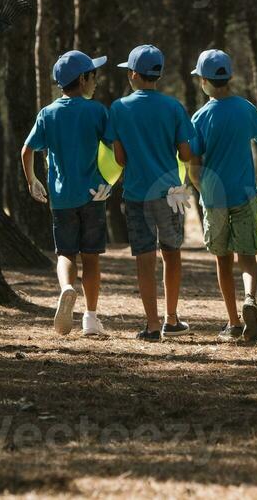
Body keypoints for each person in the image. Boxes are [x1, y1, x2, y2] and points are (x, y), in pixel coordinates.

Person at [187, 49, 257, 344]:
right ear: (229, 77)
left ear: (203, 81)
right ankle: (251, 299)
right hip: (244, 194)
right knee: (247, 257)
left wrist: (202, 190)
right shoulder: (245, 108)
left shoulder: (200, 117)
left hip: (215, 198)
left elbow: (193, 166)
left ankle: (232, 322)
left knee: (222, 260)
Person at [21, 50, 113, 338]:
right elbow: (115, 149)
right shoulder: (97, 111)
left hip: (60, 198)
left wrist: (32, 180)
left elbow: (27, 150)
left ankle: (66, 289)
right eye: (93, 76)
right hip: (93, 195)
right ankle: (90, 318)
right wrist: (114, 181)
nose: (96, 82)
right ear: (83, 79)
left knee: (65, 253)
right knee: (92, 257)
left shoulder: (47, 113)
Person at [106, 44, 195, 341]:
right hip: (170, 193)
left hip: (136, 194)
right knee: (172, 254)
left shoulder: (119, 108)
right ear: (158, 75)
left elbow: (119, 158)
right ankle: (172, 318)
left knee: (145, 259)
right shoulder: (174, 107)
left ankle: (152, 325)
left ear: (133, 74)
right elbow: (185, 154)